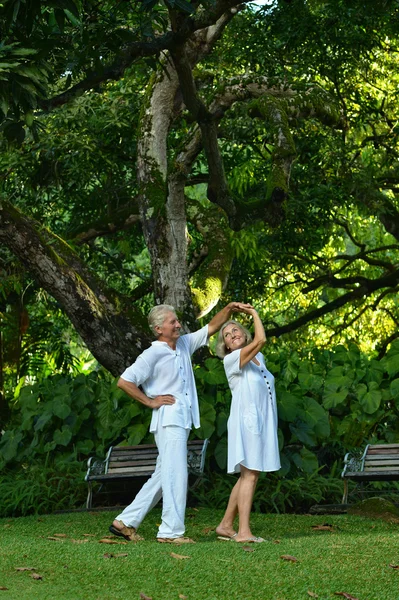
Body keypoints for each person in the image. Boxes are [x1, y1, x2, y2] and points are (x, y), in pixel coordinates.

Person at [109, 301, 252, 545]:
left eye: (177, 320)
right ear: (158, 329)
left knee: (163, 475)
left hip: (181, 420)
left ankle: (125, 521)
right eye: (172, 322)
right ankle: (170, 532)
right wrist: (150, 401)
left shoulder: (184, 343)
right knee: (176, 474)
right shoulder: (153, 352)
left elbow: (211, 327)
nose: (178, 324)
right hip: (169, 420)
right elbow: (125, 381)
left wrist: (229, 309)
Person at [215, 307, 280, 543]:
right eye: (227, 337)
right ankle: (243, 532)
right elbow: (261, 338)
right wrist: (253, 313)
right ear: (228, 347)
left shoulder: (258, 358)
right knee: (250, 475)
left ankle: (225, 525)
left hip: (260, 421)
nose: (232, 335)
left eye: (234, 330)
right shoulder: (233, 359)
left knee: (247, 475)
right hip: (247, 421)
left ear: (243, 333)